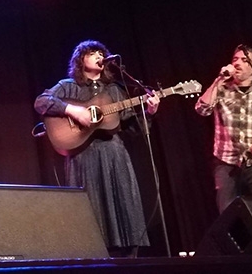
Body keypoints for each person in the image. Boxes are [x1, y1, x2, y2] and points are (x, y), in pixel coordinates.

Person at [34, 40, 159, 257]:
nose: (99, 56)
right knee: (89, 214)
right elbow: (42, 102)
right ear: (81, 59)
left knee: (125, 210)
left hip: (115, 156)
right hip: (84, 158)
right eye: (93, 53)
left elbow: (133, 128)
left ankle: (128, 262)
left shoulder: (115, 90)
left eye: (102, 53)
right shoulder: (68, 86)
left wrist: (148, 112)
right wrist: (73, 110)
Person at [194, 45, 252, 214]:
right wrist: (219, 79)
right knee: (228, 217)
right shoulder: (221, 89)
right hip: (226, 164)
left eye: (244, 60)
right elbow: (202, 109)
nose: (237, 63)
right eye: (235, 59)